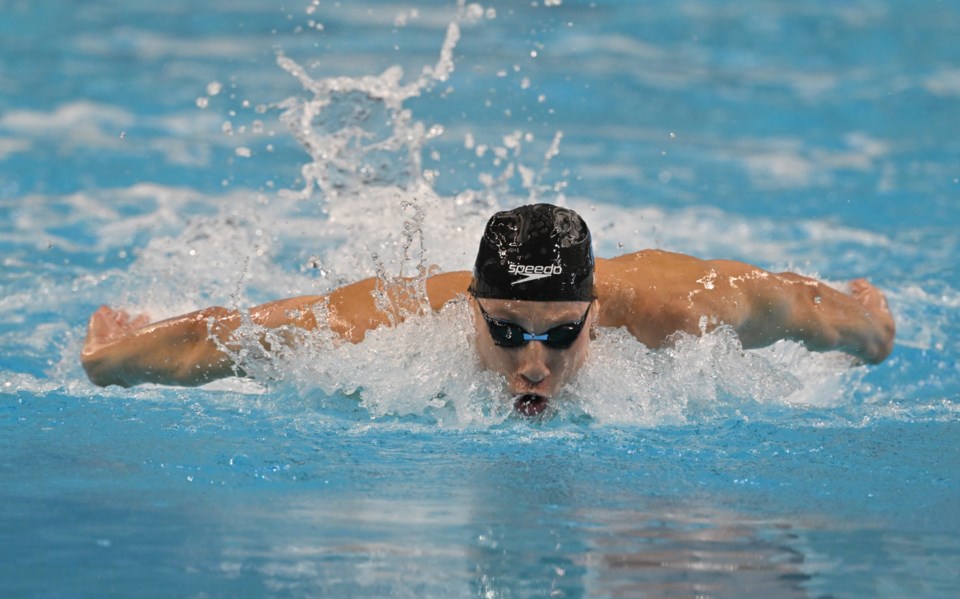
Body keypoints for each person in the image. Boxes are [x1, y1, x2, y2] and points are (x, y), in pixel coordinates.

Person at [81, 203, 895, 415]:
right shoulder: (394, 324)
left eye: (558, 335)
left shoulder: (679, 312)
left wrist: (871, 326)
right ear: (469, 308)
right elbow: (228, 337)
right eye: (504, 332)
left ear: (596, 309)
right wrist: (113, 361)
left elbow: (800, 304)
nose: (532, 363)